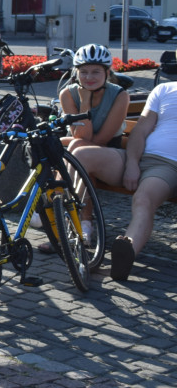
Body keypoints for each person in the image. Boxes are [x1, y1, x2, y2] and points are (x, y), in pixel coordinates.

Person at [73, 79, 177, 282]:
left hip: (166, 167)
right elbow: (140, 130)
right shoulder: (165, 89)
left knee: (143, 199)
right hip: (137, 156)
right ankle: (71, 228)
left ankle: (127, 250)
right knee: (82, 155)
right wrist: (132, 163)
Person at [36, 44, 129, 255]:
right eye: (83, 71)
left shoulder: (120, 95)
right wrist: (84, 101)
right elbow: (82, 138)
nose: (89, 77)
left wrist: (85, 104)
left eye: (96, 71)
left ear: (107, 72)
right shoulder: (67, 94)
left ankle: (59, 218)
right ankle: (83, 226)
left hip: (112, 156)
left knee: (76, 148)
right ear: (76, 72)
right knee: (78, 154)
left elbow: (98, 139)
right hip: (83, 158)